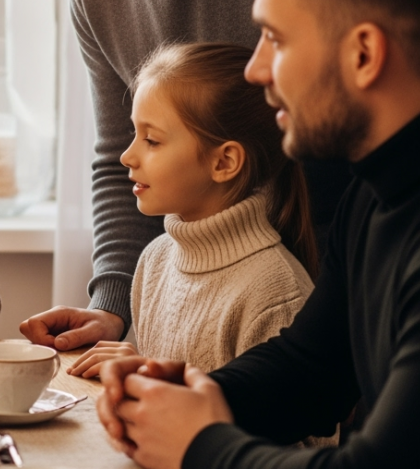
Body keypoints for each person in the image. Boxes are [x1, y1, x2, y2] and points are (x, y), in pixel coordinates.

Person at [95, 0, 420, 468]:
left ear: (363, 54)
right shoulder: (375, 193)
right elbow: (314, 368)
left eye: (276, 38)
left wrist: (202, 447)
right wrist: (197, 392)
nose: (256, 68)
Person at [0, 0, 345, 352]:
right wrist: (112, 307)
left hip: (322, 306)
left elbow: (359, 157)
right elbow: (118, 159)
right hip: (204, 311)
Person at [68, 42, 316, 380]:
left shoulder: (275, 295)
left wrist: (151, 379)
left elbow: (304, 434)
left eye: (151, 140)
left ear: (224, 162)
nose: (126, 156)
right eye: (133, 133)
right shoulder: (154, 262)